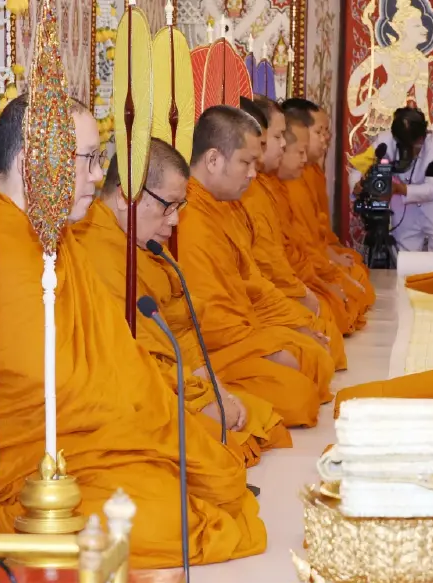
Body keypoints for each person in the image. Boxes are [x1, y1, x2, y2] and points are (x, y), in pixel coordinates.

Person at [0, 96, 267, 568]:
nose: (99, 176)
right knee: (171, 517)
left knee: (214, 481)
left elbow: (113, 357)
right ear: (35, 161)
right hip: (9, 465)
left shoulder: (54, 240)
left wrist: (154, 415)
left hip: (78, 441)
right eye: (89, 160)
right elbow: (43, 385)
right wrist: (137, 419)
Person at [73, 140, 292, 467]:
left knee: (267, 417)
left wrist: (215, 391)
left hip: (178, 379)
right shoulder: (98, 253)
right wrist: (204, 401)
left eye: (180, 207)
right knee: (218, 458)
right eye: (168, 206)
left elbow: (183, 330)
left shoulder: (142, 242)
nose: (175, 221)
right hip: (131, 397)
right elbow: (135, 363)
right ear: (125, 196)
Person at [176, 105, 335, 428]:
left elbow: (252, 279)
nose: (254, 171)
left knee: (315, 351)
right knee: (298, 394)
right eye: (246, 162)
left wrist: (293, 325)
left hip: (245, 332)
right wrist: (269, 344)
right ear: (213, 160)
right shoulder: (189, 218)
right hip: (216, 348)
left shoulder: (221, 208)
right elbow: (209, 320)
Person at [237, 97, 348, 370]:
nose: (283, 145)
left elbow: (299, 243)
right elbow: (257, 272)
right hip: (237, 321)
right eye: (276, 138)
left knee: (326, 332)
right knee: (304, 373)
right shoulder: (240, 196)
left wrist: (311, 285)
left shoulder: (263, 188)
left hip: (276, 293)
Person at [276, 111, 371, 333]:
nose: (325, 138)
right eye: (320, 131)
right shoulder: (269, 188)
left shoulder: (302, 177)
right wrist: (321, 281)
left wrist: (330, 265)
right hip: (279, 289)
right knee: (331, 319)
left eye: (326, 131)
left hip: (305, 271)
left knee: (355, 285)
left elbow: (313, 235)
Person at [348, 106, 433, 265]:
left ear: (423, 136)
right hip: (405, 209)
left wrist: (399, 189)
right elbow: (356, 170)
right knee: (406, 261)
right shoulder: (385, 142)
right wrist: (356, 186)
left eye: (414, 145)